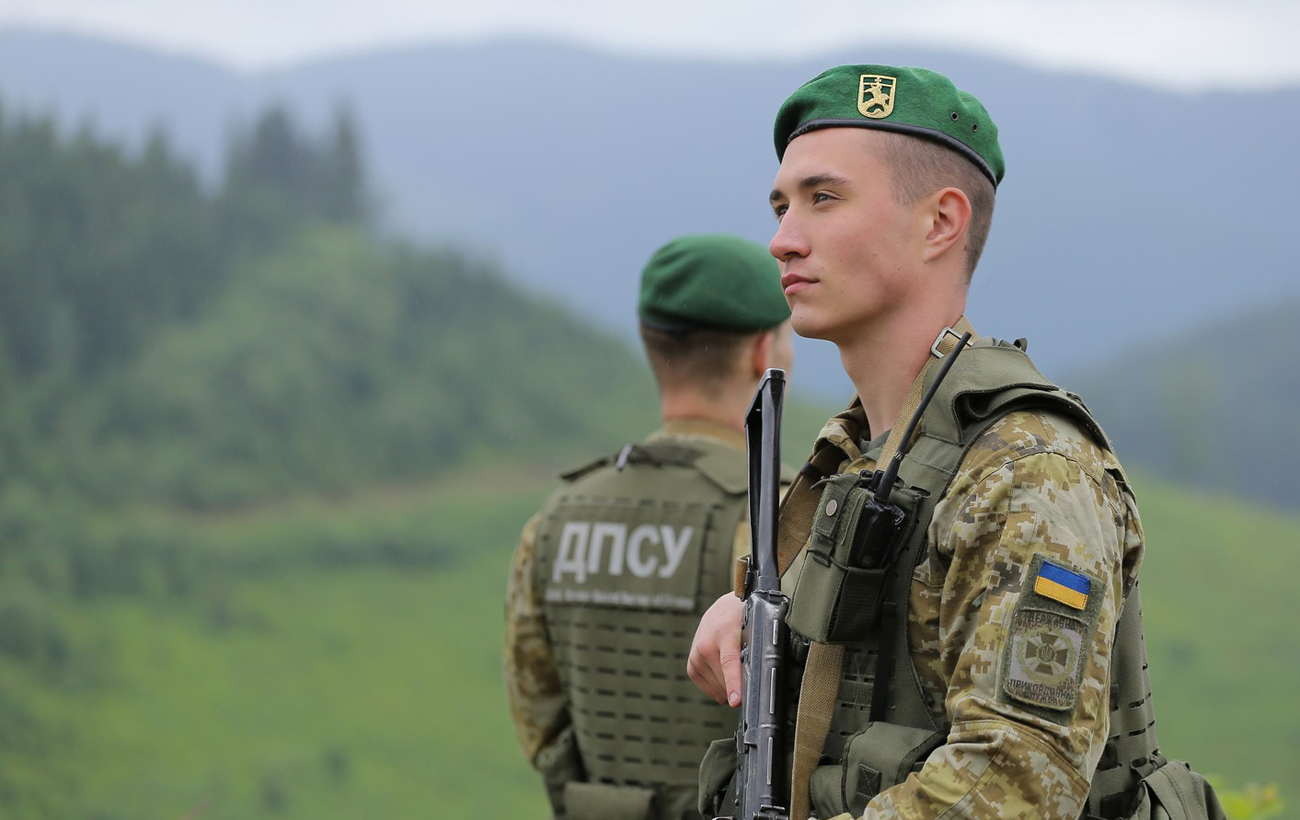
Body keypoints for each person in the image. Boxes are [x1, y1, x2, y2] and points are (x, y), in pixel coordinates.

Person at [686, 65, 1191, 820]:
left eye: (823, 199)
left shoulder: (1028, 470)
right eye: (782, 206)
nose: (782, 241)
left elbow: (1013, 782)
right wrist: (762, 623)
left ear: (940, 223)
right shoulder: (857, 458)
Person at [505, 234, 795, 820]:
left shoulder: (555, 522)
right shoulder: (780, 518)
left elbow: (540, 726)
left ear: (652, 346)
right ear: (761, 352)